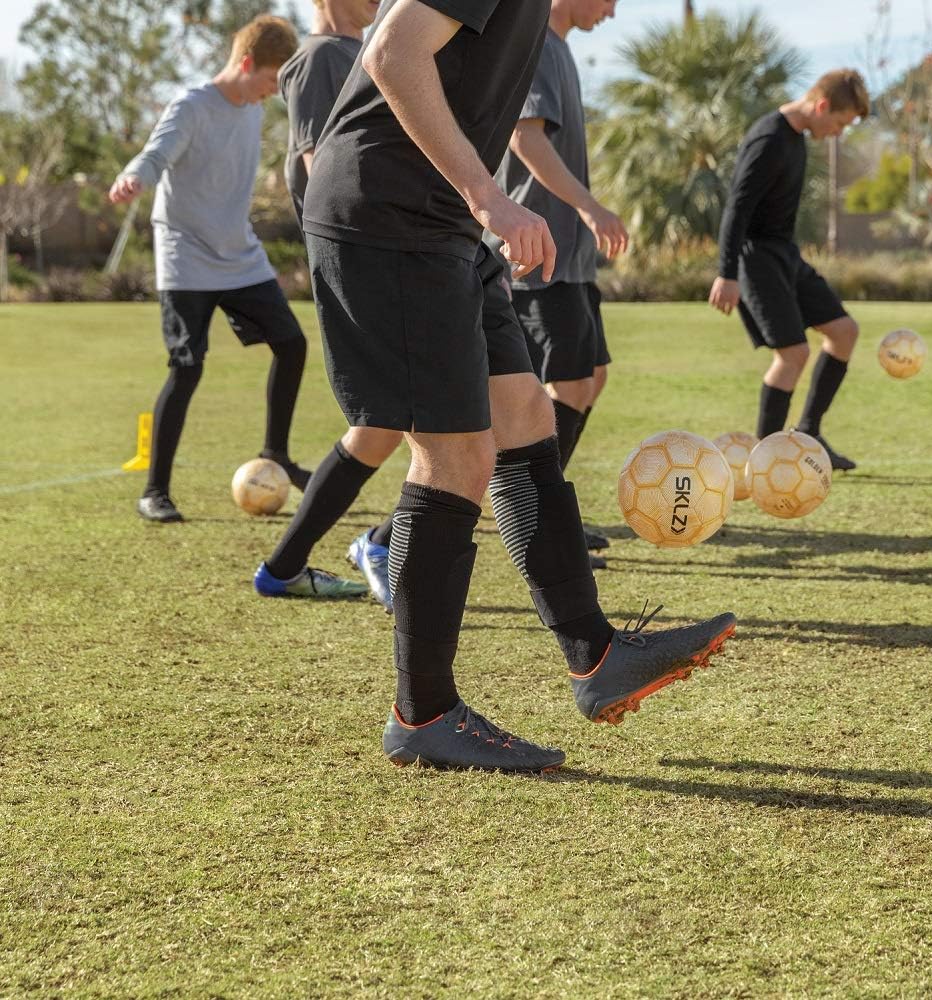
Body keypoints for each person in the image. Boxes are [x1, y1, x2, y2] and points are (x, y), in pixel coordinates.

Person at [302, 0, 736, 773]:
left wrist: (476, 206)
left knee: (526, 414)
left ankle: (597, 657)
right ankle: (423, 712)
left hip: (444, 225)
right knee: (454, 455)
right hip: (388, 217)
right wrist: (489, 196)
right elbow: (394, 54)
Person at [110, 16, 313, 524]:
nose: (272, 93)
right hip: (186, 255)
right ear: (246, 64)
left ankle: (277, 455)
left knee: (292, 344)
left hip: (238, 254)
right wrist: (135, 177)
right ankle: (155, 491)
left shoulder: (249, 109)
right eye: (270, 80)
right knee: (187, 367)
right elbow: (155, 154)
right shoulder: (193, 104)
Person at [252, 0, 396, 606]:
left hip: (394, 257)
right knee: (429, 419)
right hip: (366, 263)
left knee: (389, 423)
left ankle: (291, 565)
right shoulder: (318, 58)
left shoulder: (361, 52)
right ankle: (380, 543)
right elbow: (326, 174)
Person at [489, 0, 628, 568]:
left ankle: (543, 511)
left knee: (588, 377)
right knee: (567, 384)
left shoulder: (560, 48)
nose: (614, 11)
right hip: (537, 252)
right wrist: (592, 208)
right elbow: (527, 139)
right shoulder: (538, 42)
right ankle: (535, 520)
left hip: (568, 256)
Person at [708, 69, 871, 470]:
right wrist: (727, 273)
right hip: (756, 259)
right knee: (793, 353)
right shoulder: (769, 139)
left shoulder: (797, 138)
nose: (838, 133)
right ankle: (766, 459)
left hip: (785, 255)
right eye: (839, 123)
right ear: (821, 105)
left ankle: (810, 432)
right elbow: (737, 208)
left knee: (843, 332)